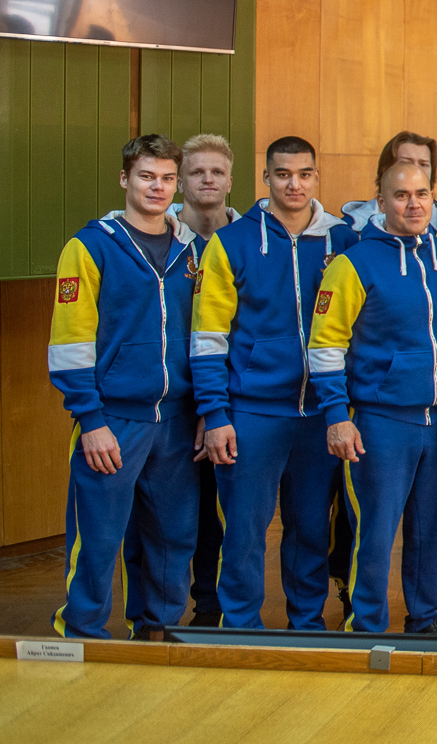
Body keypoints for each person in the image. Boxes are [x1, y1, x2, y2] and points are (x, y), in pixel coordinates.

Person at [190, 135, 355, 630]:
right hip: (253, 413)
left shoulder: (344, 241)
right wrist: (215, 414)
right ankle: (240, 626)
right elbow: (208, 339)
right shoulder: (231, 242)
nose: (294, 184)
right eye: (283, 174)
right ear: (266, 178)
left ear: (316, 177)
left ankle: (307, 625)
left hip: (319, 415)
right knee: (243, 531)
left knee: (311, 528)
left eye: (304, 174)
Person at [48, 134, 200, 640]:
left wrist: (205, 408)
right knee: (97, 538)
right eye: (146, 176)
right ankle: (81, 634)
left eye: (167, 178)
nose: (158, 187)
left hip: (177, 420)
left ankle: (156, 633)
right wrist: (90, 419)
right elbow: (70, 344)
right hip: (113, 419)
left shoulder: (192, 250)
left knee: (172, 538)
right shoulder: (90, 247)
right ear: (124, 179)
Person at [310, 159, 437, 633]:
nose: (413, 204)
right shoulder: (353, 263)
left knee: (434, 532)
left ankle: (424, 620)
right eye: (401, 195)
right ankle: (367, 625)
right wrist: (337, 416)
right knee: (374, 533)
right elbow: (325, 346)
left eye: (422, 194)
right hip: (379, 422)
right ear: (380, 201)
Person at [164, 133, 240, 627]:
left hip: (230, 402)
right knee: (175, 516)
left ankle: (215, 606)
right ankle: (164, 615)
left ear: (231, 180)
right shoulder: (158, 238)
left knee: (227, 512)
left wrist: (215, 406)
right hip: (171, 403)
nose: (207, 180)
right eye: (197, 172)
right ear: (180, 182)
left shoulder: (249, 239)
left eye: (217, 172)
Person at [342, 131, 437, 233]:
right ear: (385, 170)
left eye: (423, 164)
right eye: (406, 163)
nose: (415, 170)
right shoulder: (352, 226)